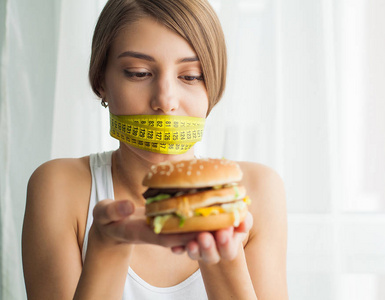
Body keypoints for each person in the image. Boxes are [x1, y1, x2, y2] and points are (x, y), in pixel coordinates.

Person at [22, 0, 288, 299]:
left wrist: (222, 253)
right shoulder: (60, 186)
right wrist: (106, 247)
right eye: (138, 73)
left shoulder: (256, 190)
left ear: (213, 88)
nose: (165, 100)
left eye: (191, 76)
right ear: (100, 81)